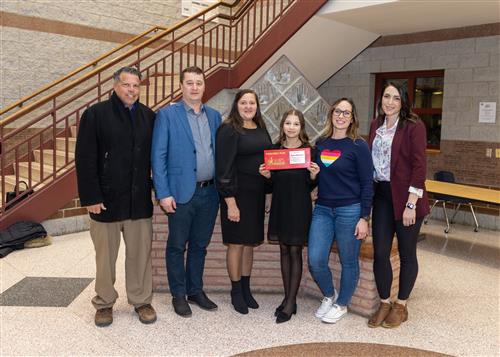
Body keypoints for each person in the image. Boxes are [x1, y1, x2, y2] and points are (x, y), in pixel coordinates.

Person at [75, 66, 157, 327]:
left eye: (135, 85)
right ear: (114, 86)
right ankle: (104, 302)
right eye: (126, 84)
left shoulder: (149, 116)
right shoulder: (95, 115)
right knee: (105, 258)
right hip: (105, 201)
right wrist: (91, 196)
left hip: (139, 202)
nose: (131, 90)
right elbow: (85, 159)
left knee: (140, 256)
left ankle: (142, 300)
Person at [151, 66, 222, 317]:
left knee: (200, 246)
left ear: (204, 86)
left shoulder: (214, 116)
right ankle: (178, 295)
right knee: (176, 246)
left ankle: (195, 290)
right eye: (189, 83)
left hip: (209, 193)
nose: (194, 87)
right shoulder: (167, 116)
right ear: (181, 86)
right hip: (179, 193)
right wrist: (163, 193)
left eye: (199, 83)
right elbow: (158, 156)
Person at [367, 81, 429, 328]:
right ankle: (384, 302)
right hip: (381, 195)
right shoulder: (375, 125)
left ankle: (401, 305)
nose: (389, 102)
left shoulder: (414, 126)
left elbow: (419, 165)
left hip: (407, 197)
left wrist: (411, 204)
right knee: (380, 253)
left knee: (406, 253)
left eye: (395, 98)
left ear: (403, 101)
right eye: (386, 96)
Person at [308, 98, 373, 324]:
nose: (341, 116)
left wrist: (364, 217)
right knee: (315, 259)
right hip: (323, 209)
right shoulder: (321, 144)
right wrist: (313, 179)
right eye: (338, 111)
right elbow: (317, 177)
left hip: (350, 210)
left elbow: (367, 183)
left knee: (348, 260)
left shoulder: (358, 145)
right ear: (331, 114)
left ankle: (342, 303)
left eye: (347, 113)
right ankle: (329, 294)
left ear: (353, 117)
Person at [259, 109, 320, 323]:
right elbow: (273, 184)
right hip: (281, 206)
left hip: (300, 207)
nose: (291, 127)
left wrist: (314, 176)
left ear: (301, 127)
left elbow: (311, 184)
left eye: (296, 124)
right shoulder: (274, 151)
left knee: (295, 251)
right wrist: (266, 177)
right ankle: (288, 298)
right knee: (284, 250)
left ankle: (291, 302)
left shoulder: (310, 151)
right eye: (288, 123)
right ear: (282, 125)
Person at [216, 89, 272, 315]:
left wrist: (268, 192)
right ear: (236, 105)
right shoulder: (228, 129)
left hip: (256, 195)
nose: (248, 106)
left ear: (257, 107)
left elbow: (268, 162)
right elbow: (223, 168)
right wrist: (230, 202)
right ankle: (236, 291)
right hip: (236, 196)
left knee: (250, 244)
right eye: (244, 103)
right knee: (236, 244)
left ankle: (247, 289)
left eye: (252, 103)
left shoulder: (261, 130)